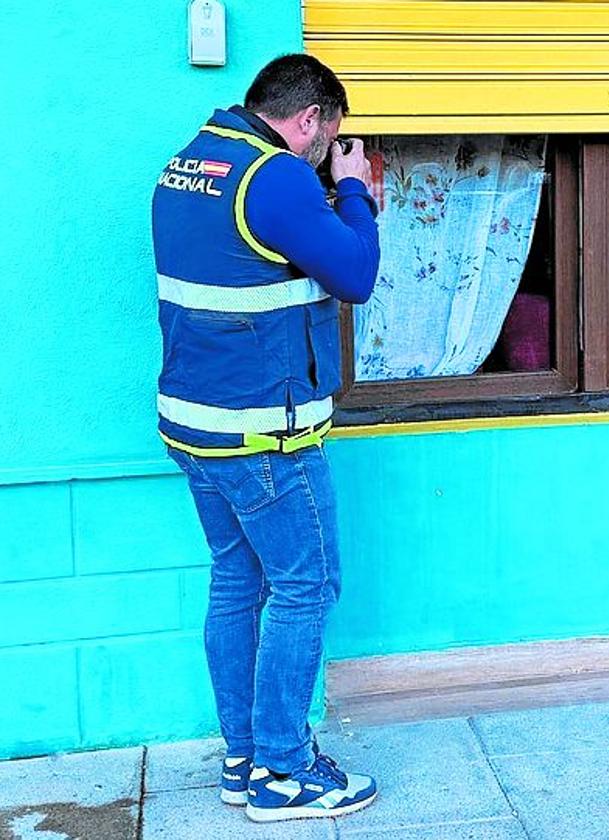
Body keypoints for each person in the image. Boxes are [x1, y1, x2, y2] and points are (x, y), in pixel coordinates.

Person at [150, 54, 380, 823]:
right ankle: (285, 771)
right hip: (264, 437)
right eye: (328, 139)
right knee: (306, 585)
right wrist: (352, 190)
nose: (323, 153)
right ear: (310, 119)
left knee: (237, 584)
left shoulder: (188, 162)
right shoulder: (274, 174)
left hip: (197, 426)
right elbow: (353, 273)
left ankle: (244, 758)